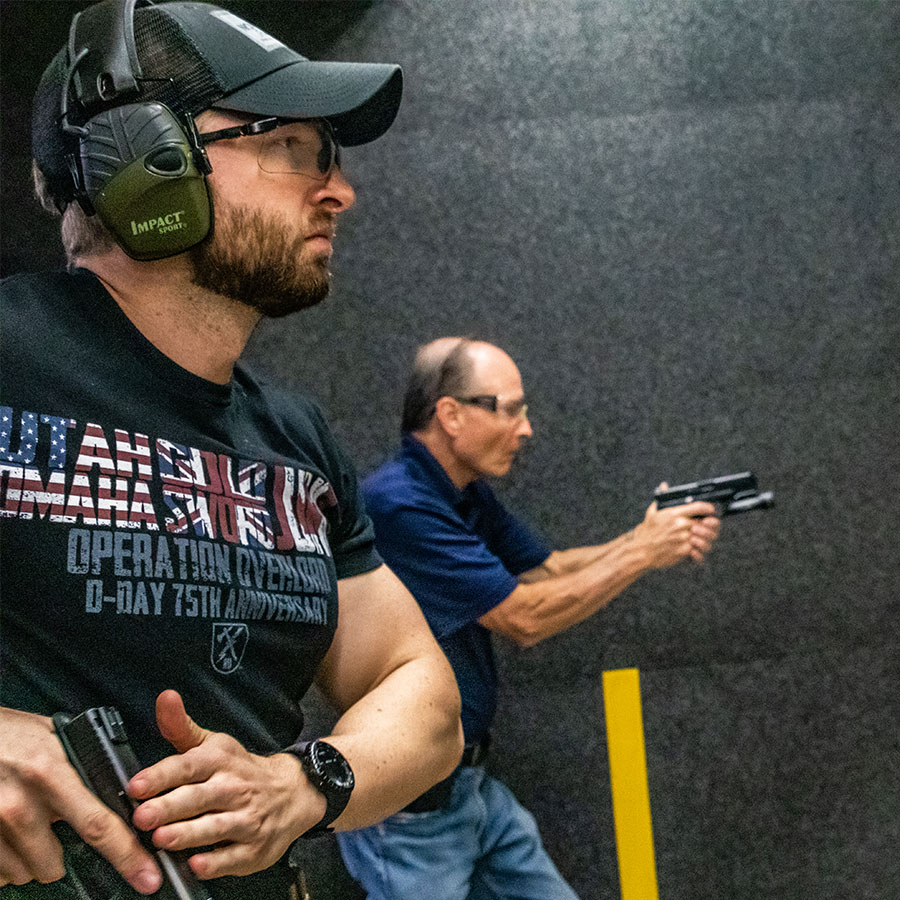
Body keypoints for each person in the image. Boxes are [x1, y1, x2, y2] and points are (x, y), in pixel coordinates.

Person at [0, 4, 463, 898]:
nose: (339, 191)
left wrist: (305, 784)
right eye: (291, 146)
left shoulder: (295, 440)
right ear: (145, 155)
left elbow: (421, 690)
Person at [336, 337, 722, 899]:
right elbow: (523, 616)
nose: (526, 429)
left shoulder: (461, 493)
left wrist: (648, 536)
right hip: (410, 814)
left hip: (466, 787)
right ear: (451, 414)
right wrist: (643, 553)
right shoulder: (400, 503)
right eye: (510, 409)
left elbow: (546, 570)